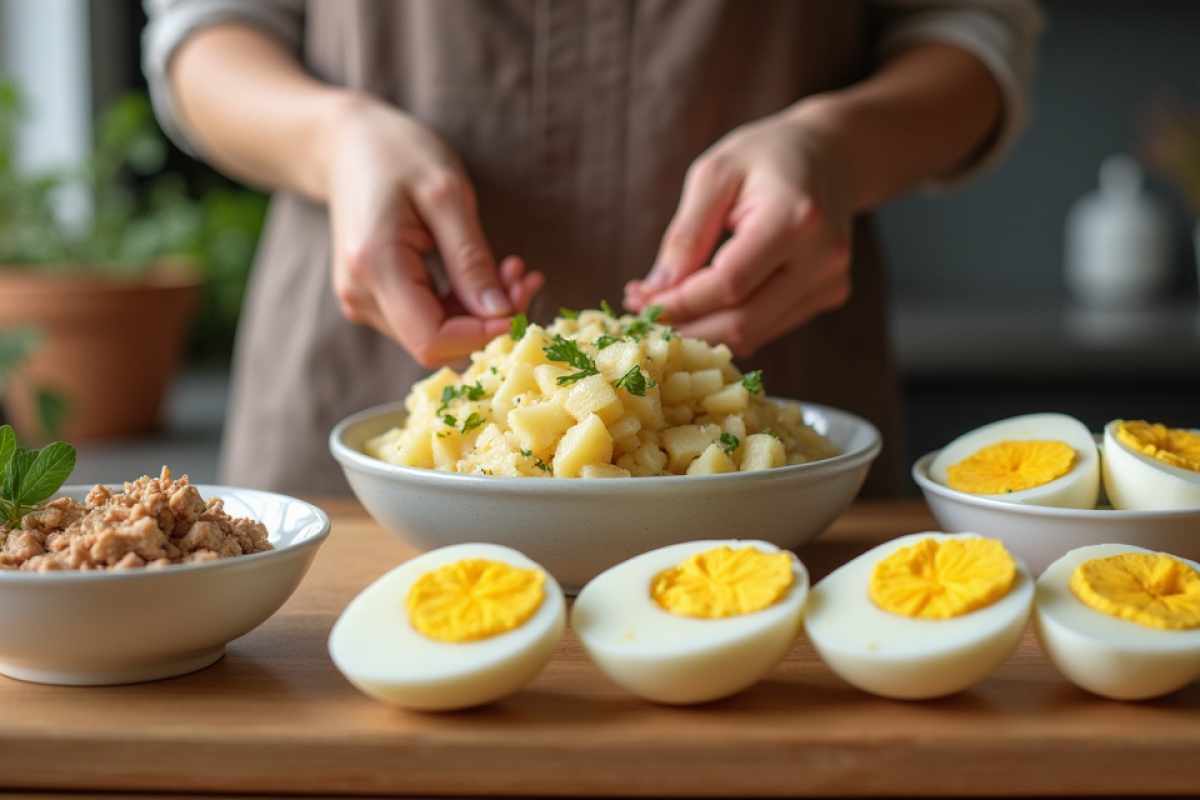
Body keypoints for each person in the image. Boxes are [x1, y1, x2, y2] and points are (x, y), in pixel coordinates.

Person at [144, 0, 1041, 496]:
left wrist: (838, 148)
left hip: (770, 412)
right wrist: (333, 139)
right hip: (365, 395)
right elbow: (206, 30)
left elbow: (971, 30)